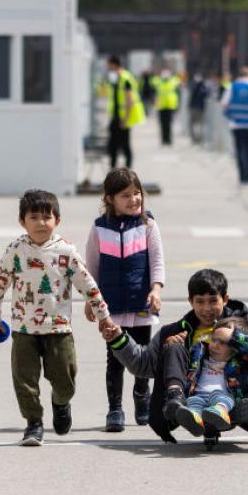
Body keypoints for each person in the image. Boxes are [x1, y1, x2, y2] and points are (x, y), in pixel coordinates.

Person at [102, 267, 248, 444]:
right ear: (190, 302)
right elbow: (142, 365)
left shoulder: (244, 325)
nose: (207, 308)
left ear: (225, 299)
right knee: (174, 346)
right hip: (194, 399)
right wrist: (118, 339)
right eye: (200, 301)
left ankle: (233, 412)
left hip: (235, 396)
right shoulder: (175, 332)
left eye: (213, 301)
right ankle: (180, 404)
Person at [0, 189, 114, 446]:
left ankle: (61, 402)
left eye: (47, 217)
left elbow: (87, 285)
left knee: (66, 378)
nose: (41, 223)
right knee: (24, 380)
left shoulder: (65, 251)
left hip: (58, 329)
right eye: (34, 217)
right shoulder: (15, 250)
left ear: (57, 221)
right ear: (22, 221)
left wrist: (103, 316)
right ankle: (33, 424)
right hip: (24, 329)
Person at [83, 168, 165, 432]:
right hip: (112, 307)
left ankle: (142, 397)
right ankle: (115, 409)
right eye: (126, 195)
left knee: (143, 356)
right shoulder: (99, 229)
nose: (134, 199)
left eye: (137, 193)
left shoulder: (147, 225)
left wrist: (156, 289)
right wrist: (90, 300)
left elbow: (157, 261)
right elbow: (91, 269)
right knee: (115, 358)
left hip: (141, 303)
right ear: (110, 199)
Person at [172, 318, 248, 437]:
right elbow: (178, 357)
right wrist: (174, 341)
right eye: (214, 339)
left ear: (237, 347)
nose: (215, 346)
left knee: (220, 397)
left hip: (225, 400)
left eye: (222, 342)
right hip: (198, 396)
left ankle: (219, 413)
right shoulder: (199, 355)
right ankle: (195, 420)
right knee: (193, 402)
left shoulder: (242, 364)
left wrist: (235, 336)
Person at [106, 56, 145, 170]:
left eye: (109, 65)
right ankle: (113, 169)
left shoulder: (125, 78)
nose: (108, 68)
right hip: (116, 116)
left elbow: (129, 100)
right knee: (112, 145)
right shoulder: (115, 78)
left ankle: (128, 171)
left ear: (114, 64)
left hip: (123, 118)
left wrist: (126, 119)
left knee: (125, 145)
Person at [152, 68, 181, 146]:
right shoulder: (158, 81)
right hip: (161, 106)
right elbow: (154, 90)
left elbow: (178, 91)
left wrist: (178, 104)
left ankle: (168, 139)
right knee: (162, 124)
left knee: (169, 124)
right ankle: (163, 140)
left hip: (170, 106)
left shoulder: (173, 81)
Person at [187, 73, 210, 144]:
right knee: (192, 124)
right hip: (193, 107)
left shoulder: (203, 86)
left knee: (201, 124)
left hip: (200, 107)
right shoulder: (192, 84)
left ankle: (200, 139)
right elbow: (192, 91)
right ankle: (194, 139)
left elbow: (206, 94)